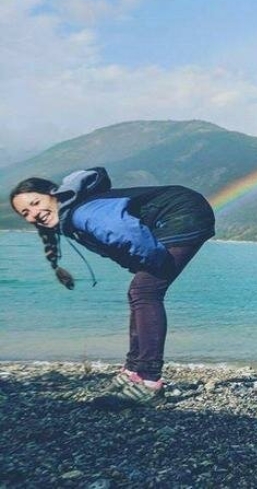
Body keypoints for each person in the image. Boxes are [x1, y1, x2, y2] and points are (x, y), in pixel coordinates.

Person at [9, 167, 215, 405]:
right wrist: (143, 266)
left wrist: (153, 264)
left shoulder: (83, 213)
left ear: (53, 194)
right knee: (139, 291)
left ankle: (148, 380)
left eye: (36, 202)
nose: (34, 213)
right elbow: (120, 246)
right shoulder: (73, 216)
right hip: (178, 212)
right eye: (26, 212)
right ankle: (133, 371)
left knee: (145, 291)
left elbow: (128, 234)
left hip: (183, 213)